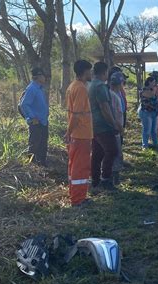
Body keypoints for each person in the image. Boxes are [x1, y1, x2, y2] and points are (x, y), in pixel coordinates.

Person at [89, 61, 122, 190]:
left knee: (97, 153)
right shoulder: (100, 87)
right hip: (103, 125)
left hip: (95, 125)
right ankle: (106, 179)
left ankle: (95, 180)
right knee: (112, 151)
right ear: (104, 72)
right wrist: (114, 124)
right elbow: (105, 107)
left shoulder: (92, 85)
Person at [65, 60, 93, 207]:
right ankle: (78, 199)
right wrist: (69, 132)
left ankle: (76, 195)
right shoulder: (81, 88)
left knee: (74, 166)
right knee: (80, 167)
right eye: (90, 70)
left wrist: (69, 132)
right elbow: (76, 114)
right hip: (81, 134)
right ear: (84, 71)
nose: (91, 73)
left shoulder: (72, 86)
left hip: (77, 134)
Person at [20, 68, 49, 166]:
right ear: (38, 76)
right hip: (36, 122)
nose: (45, 78)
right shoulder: (32, 88)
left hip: (43, 121)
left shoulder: (40, 88)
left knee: (43, 145)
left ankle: (42, 166)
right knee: (34, 145)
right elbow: (24, 104)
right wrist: (32, 117)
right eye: (44, 76)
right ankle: (32, 166)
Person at [109, 72, 125, 185]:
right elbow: (117, 114)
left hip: (111, 127)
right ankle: (114, 178)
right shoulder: (114, 96)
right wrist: (120, 128)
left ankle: (111, 176)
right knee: (116, 153)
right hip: (115, 128)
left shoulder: (111, 94)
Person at [138, 77, 158, 149]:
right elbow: (151, 95)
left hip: (155, 112)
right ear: (149, 82)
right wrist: (155, 90)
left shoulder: (153, 90)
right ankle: (145, 145)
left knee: (154, 130)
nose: (155, 84)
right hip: (146, 112)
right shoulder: (144, 90)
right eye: (153, 82)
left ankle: (155, 144)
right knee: (146, 130)